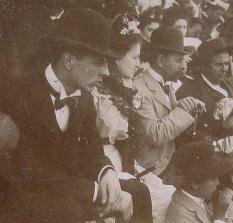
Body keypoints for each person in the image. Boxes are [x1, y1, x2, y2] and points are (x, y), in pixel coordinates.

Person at [2, 8, 151, 222]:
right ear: (69, 60)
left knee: (138, 193)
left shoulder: (84, 98)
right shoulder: (22, 94)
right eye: (99, 62)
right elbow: (29, 174)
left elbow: (91, 151)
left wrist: (106, 173)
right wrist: (93, 191)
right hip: (23, 198)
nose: (107, 72)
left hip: (66, 192)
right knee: (70, 211)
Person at [133, 26, 206, 176]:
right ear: (160, 60)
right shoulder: (139, 87)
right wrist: (183, 111)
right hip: (146, 171)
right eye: (178, 60)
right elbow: (155, 134)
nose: (183, 66)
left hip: (165, 167)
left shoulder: (166, 85)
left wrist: (190, 108)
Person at [176, 38, 233, 145]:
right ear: (204, 65)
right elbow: (187, 133)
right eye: (218, 64)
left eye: (226, 64)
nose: (224, 69)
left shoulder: (226, 84)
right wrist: (221, 127)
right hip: (209, 151)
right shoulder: (189, 89)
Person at [93, 13, 142, 172]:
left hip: (124, 159)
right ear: (117, 58)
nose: (138, 64)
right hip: (103, 161)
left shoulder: (129, 86)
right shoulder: (99, 92)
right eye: (134, 58)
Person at [165, 141, 233, 223]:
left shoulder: (198, 200)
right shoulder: (179, 214)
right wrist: (220, 217)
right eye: (213, 178)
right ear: (195, 183)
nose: (218, 183)